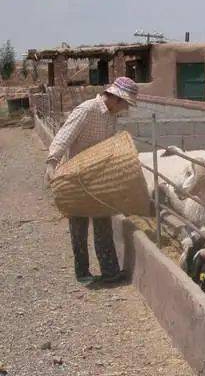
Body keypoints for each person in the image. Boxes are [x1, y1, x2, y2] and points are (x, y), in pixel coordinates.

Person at [44, 76, 138, 284]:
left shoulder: (111, 116)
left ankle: (110, 272)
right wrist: (52, 163)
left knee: (103, 222)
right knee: (79, 226)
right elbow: (63, 136)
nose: (125, 109)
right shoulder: (86, 110)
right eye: (125, 104)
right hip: (76, 176)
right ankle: (83, 272)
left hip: (97, 177)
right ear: (115, 98)